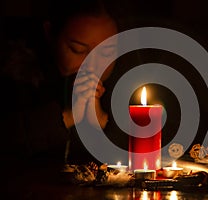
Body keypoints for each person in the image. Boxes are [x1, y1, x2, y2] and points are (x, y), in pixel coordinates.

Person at [0, 0, 119, 166]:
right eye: (77, 50)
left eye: (106, 53)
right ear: (50, 34)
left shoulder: (122, 82)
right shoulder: (16, 75)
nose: (92, 65)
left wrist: (100, 121)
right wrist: (70, 116)